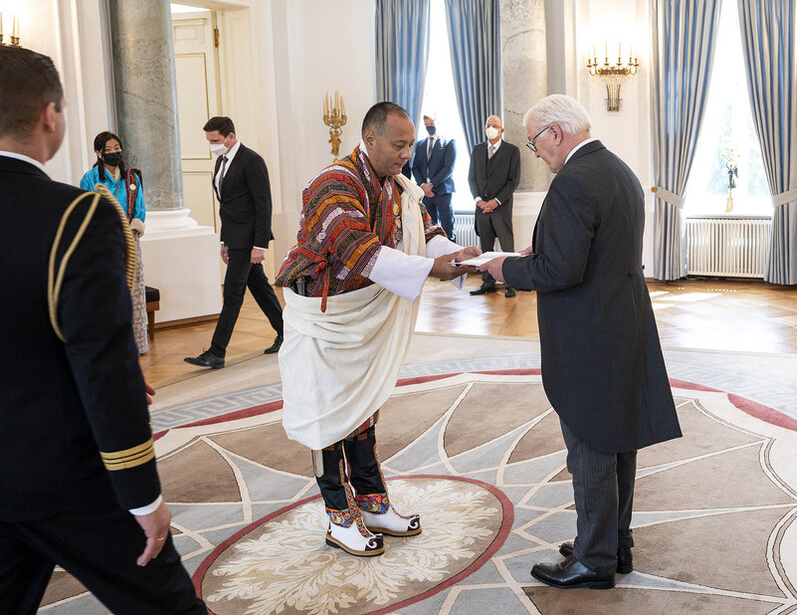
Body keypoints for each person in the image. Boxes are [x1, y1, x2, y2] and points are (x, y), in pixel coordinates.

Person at [0, 45, 206, 614]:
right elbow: (105, 367)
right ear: (49, 115)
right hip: (63, 473)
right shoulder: (77, 216)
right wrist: (143, 496)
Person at [481, 94, 682, 590]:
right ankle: (615, 544)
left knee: (591, 446)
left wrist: (502, 265)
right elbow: (596, 247)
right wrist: (542, 247)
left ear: (555, 133)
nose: (536, 152)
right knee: (619, 441)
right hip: (623, 324)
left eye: (534, 142)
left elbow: (560, 270)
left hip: (589, 335)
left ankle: (594, 561)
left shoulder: (572, 181)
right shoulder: (618, 169)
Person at [275, 102, 478, 557]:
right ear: (369, 140)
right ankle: (338, 518)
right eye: (399, 144)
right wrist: (432, 270)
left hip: (361, 313)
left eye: (409, 145)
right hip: (325, 320)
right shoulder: (335, 182)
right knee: (328, 418)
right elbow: (357, 250)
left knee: (363, 411)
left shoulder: (398, 186)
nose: (407, 154)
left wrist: (457, 254)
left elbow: (426, 232)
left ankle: (371, 505)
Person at [184, 116, 284, 369]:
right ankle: (287, 333)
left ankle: (217, 352)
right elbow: (226, 207)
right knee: (260, 288)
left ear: (230, 136)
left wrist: (260, 245)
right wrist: (224, 241)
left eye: (215, 140)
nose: (212, 145)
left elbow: (264, 204)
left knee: (232, 294)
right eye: (209, 141)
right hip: (234, 238)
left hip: (249, 240)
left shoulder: (252, 161)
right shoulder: (221, 161)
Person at [80, 131, 150, 354]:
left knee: (134, 291)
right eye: (108, 150)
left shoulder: (131, 178)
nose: (113, 153)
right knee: (108, 290)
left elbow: (140, 210)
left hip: (130, 240)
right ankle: (111, 345)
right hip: (103, 243)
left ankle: (137, 343)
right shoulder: (90, 178)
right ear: (99, 153)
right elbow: (86, 211)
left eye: (116, 149)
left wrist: (132, 231)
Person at [468, 115, 521, 298]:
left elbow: (513, 181)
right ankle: (487, 282)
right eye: (488, 125)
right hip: (482, 209)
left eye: (495, 126)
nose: (491, 128)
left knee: (507, 247)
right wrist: (478, 200)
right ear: (484, 129)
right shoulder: (477, 150)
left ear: (502, 130)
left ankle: (509, 283)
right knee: (486, 247)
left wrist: (496, 201)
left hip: (501, 208)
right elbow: (472, 178)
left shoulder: (512, 151)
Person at [411, 114, 456, 240]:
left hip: (442, 192)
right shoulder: (420, 144)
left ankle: (453, 258)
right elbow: (415, 167)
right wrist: (423, 187)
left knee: (448, 229)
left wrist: (431, 185)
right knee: (429, 231)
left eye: (431, 124)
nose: (429, 126)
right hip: (426, 195)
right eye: (426, 124)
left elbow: (448, 169)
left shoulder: (448, 142)